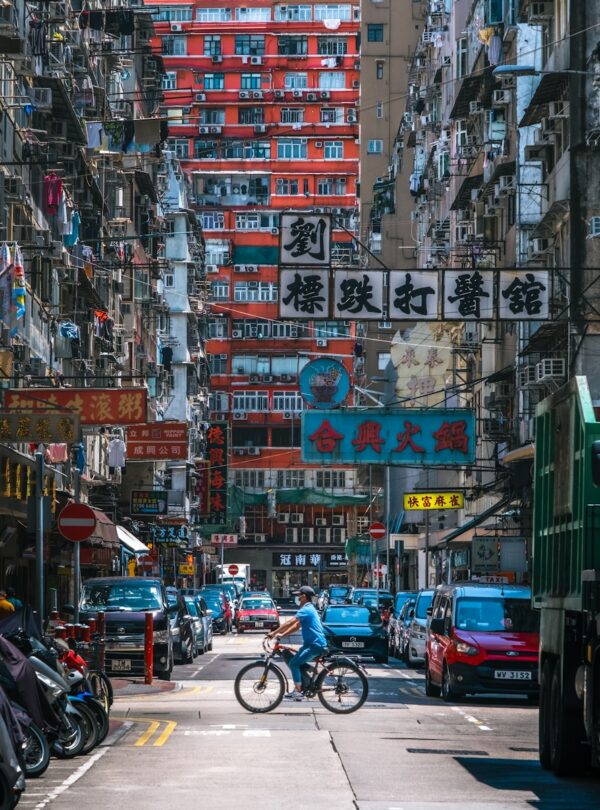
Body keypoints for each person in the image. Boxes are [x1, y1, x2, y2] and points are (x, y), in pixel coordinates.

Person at [266, 585, 328, 701]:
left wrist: (274, 633)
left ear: (304, 597)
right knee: (295, 658)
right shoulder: (309, 609)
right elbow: (297, 625)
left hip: (315, 644)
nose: (298, 599)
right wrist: (282, 635)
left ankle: (298, 691)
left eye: (299, 596)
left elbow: (291, 621)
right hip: (310, 644)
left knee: (294, 663)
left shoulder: (306, 609)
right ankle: (309, 669)